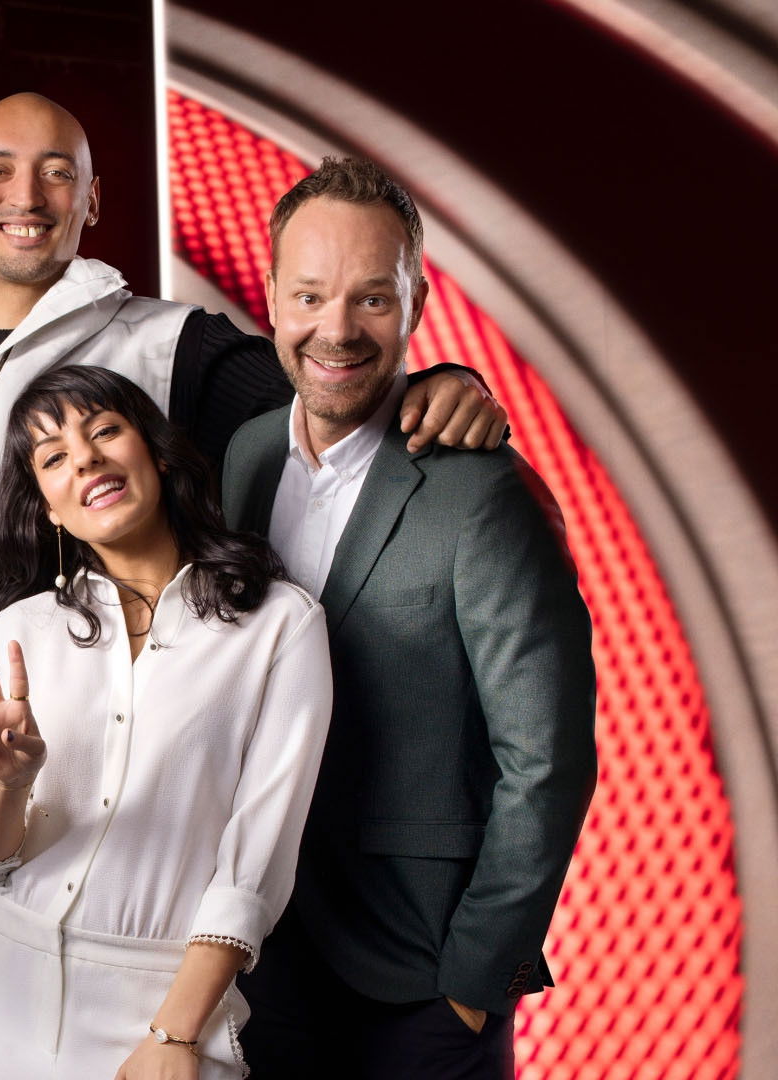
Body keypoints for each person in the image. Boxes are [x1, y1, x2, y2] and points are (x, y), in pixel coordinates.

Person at [224, 158, 597, 1079]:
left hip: (423, 980)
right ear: (271, 296)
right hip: (259, 960)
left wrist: (480, 978)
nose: (337, 329)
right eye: (310, 295)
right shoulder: (245, 456)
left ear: (417, 304)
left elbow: (548, 759)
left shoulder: (485, 494)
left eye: (372, 298)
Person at [0, 91, 509, 619]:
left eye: (56, 172)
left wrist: (442, 381)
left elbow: (331, 384)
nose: (26, 196)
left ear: (93, 199)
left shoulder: (178, 344)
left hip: (87, 699)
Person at [0, 365, 332, 1079]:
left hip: (167, 1002)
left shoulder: (279, 624)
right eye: (54, 457)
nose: (85, 459)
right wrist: (7, 785)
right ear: (50, 509)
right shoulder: (22, 630)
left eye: (105, 431)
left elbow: (256, 861)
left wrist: (176, 1036)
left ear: (157, 453)